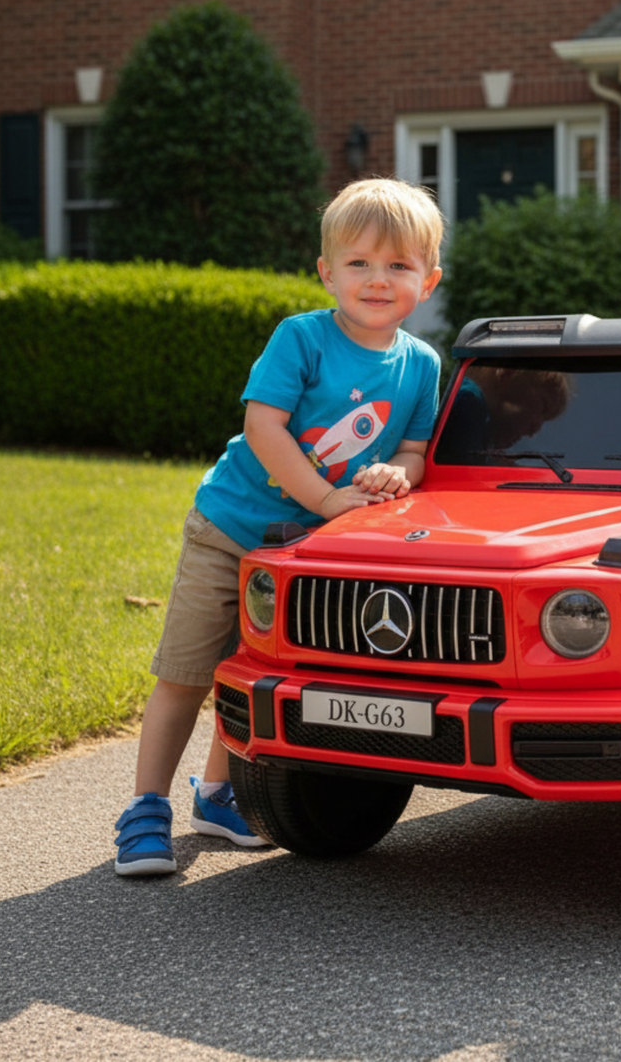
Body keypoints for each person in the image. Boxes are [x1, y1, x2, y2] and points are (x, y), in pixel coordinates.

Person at [114, 177, 444, 876]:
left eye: (398, 265)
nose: (377, 279)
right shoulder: (303, 338)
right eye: (358, 263)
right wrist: (326, 499)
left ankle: (217, 796)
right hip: (231, 528)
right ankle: (145, 809)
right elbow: (263, 427)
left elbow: (413, 450)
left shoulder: (421, 364)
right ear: (327, 272)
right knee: (187, 674)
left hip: (301, 555)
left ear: (429, 280)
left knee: (251, 671)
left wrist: (397, 474)